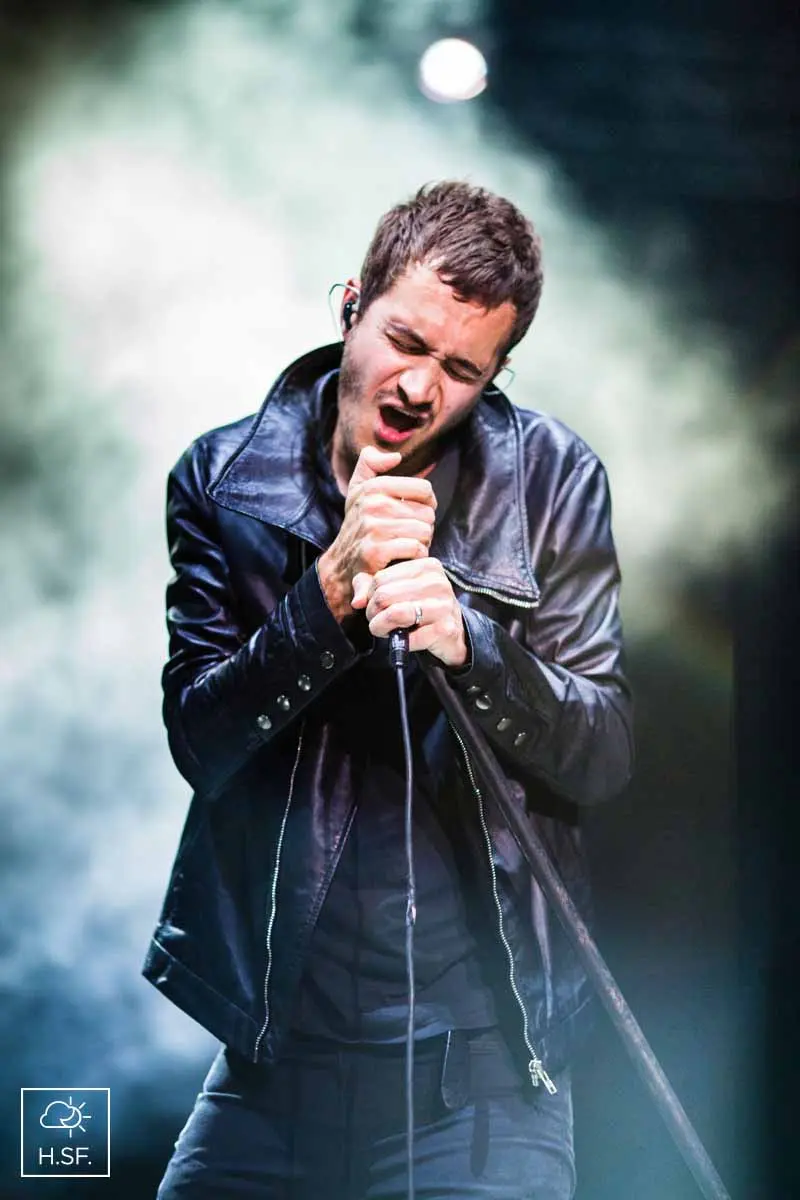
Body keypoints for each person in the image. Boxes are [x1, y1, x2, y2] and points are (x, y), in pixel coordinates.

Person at [145, 180, 633, 1199]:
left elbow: (602, 751)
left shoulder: (552, 483)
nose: (418, 386)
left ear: (494, 375)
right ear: (349, 308)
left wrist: (476, 648)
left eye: (461, 369)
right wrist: (326, 595)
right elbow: (200, 739)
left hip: (482, 1082)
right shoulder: (224, 482)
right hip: (275, 1070)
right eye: (405, 342)